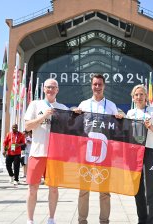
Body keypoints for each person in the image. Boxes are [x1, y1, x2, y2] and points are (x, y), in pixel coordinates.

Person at [73, 73, 123, 224]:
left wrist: (121, 115)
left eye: (100, 84)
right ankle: (82, 220)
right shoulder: (84, 104)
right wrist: (74, 112)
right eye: (95, 84)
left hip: (105, 153)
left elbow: (120, 123)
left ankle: (104, 221)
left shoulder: (111, 105)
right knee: (83, 189)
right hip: (86, 152)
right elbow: (74, 124)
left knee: (104, 191)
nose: (97, 87)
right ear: (91, 86)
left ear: (104, 86)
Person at [24, 78, 68, 224]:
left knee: (54, 189)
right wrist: (44, 116)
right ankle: (30, 220)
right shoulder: (35, 104)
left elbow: (71, 129)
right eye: (48, 87)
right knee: (32, 188)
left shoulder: (62, 107)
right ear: (44, 89)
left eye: (53, 87)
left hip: (55, 155)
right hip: (37, 153)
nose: (50, 89)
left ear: (58, 90)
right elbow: (27, 127)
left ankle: (51, 218)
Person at [126, 84, 153, 224]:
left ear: (146, 96)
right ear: (133, 97)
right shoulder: (130, 113)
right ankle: (142, 220)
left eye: (141, 94)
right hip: (135, 152)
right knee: (137, 189)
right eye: (136, 94)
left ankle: (151, 221)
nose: (139, 97)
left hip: (149, 151)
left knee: (150, 188)